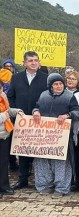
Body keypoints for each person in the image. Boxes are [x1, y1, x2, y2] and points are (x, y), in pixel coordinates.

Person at [32, 73, 79, 198]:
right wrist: (35, 111)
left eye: (60, 84)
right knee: (42, 160)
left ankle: (61, 188)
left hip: (62, 136)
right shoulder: (43, 95)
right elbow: (36, 106)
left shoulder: (69, 96)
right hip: (43, 135)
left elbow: (78, 112)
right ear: (50, 86)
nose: (59, 86)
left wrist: (67, 115)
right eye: (55, 84)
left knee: (60, 162)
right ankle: (44, 185)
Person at [7, 51, 48, 190]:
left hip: (40, 119)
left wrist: (42, 111)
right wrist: (15, 111)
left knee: (39, 149)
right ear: (24, 62)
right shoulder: (16, 77)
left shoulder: (45, 78)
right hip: (21, 119)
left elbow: (49, 97)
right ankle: (23, 179)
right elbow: (10, 96)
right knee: (23, 149)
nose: (33, 63)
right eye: (30, 60)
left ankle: (41, 180)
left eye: (36, 60)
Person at [0, 80, 23, 195]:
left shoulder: (3, 96)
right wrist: (5, 115)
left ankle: (4, 186)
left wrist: (17, 111)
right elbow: (5, 114)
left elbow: (7, 110)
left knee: (3, 162)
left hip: (4, 134)